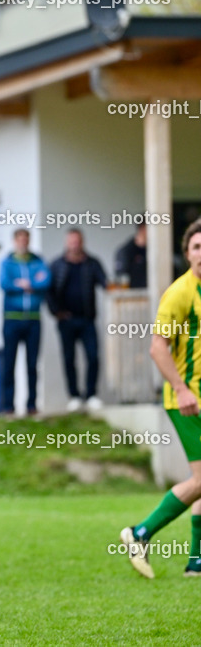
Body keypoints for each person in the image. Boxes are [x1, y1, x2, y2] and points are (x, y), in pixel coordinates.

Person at [120, 219, 201, 579]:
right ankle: (141, 533)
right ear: (187, 254)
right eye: (196, 247)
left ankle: (196, 562)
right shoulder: (180, 293)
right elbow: (157, 348)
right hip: (186, 400)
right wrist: (182, 390)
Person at [47, 228, 108, 412]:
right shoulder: (57, 265)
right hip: (66, 321)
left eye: (77, 241)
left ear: (82, 242)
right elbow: (48, 292)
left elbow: (105, 282)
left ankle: (91, 395)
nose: (75, 245)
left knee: (93, 357)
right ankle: (74, 396)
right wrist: (56, 312)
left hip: (87, 319)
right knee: (69, 359)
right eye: (72, 242)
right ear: (67, 243)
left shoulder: (92, 263)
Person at [0, 229, 51, 416]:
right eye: (19, 240)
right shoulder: (7, 262)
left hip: (33, 320)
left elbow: (45, 281)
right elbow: (4, 283)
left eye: (26, 239)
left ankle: (32, 405)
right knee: (9, 363)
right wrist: (25, 284)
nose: (23, 243)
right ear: (14, 241)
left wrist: (27, 284)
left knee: (32, 364)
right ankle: (8, 406)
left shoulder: (38, 261)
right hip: (12, 319)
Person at [115, 222, 148, 288]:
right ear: (142, 228)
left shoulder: (154, 250)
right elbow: (121, 276)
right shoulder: (126, 251)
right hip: (132, 295)